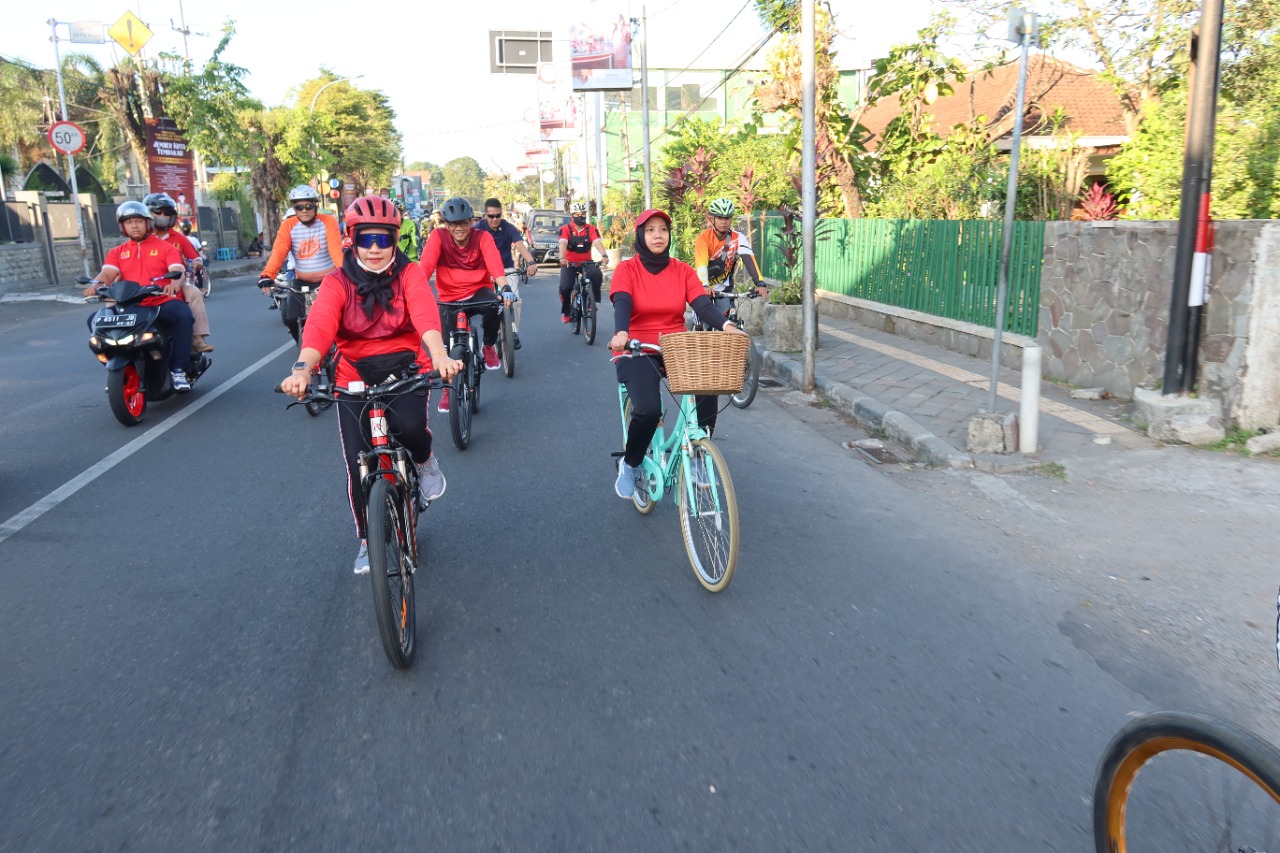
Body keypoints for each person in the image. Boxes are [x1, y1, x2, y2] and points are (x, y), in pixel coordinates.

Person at [278, 196, 463, 576]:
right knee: (357, 463)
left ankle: (425, 461)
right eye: (366, 239)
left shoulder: (409, 274)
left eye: (383, 238)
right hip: (354, 377)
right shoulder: (337, 282)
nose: (375, 248)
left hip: (406, 368)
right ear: (352, 238)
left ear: (395, 239)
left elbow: (425, 316)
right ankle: (368, 538)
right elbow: (319, 327)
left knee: (410, 427)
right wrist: (302, 369)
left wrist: (440, 354)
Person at [607, 209, 743, 499]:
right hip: (636, 347)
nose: (658, 235)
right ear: (641, 236)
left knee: (708, 383)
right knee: (649, 409)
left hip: (675, 346)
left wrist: (727, 325)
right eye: (650, 230)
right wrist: (621, 333)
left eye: (663, 230)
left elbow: (703, 306)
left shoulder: (681, 270)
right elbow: (622, 302)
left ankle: (698, 455)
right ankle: (630, 464)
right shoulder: (627, 270)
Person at [82, 201, 196, 392]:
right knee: (94, 320)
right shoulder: (117, 252)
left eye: (138, 221)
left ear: (147, 224)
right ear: (123, 227)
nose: (134, 225)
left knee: (183, 315)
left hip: (161, 301)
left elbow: (177, 269)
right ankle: (117, 367)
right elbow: (108, 274)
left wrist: (174, 284)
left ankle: (178, 370)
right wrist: (96, 285)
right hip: (130, 304)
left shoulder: (166, 248)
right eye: (129, 222)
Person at [417, 197, 509, 413]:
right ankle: (449, 390)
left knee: (494, 305)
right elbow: (425, 268)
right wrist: (414, 294)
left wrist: (504, 287)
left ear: (471, 222)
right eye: (454, 224)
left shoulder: (483, 237)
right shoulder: (437, 237)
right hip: (449, 298)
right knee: (445, 349)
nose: (459, 228)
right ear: (446, 224)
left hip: (478, 291)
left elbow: (495, 265)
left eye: (464, 223)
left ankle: (488, 346)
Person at [257, 185, 343, 344]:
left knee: (340, 319)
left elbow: (335, 250)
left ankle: (340, 351)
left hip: (329, 280)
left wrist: (345, 274)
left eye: (308, 206)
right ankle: (303, 346)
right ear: (294, 208)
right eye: (299, 207)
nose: (304, 210)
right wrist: (267, 275)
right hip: (301, 282)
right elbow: (279, 252)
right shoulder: (288, 226)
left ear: (316, 205)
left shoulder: (328, 222)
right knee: (291, 318)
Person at [144, 192, 214, 354]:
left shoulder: (179, 238)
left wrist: (196, 263)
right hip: (144, 285)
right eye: (158, 212)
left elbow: (195, 258)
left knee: (194, 293)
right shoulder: (141, 239)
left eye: (167, 213)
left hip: (176, 283)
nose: (162, 216)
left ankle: (197, 338)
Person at [475, 197, 537, 350]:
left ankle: (513, 331)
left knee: (514, 300)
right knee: (488, 305)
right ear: (485, 215)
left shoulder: (508, 227)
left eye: (498, 215)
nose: (495, 219)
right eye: (491, 216)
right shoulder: (477, 229)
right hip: (485, 272)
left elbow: (520, 246)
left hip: (507, 270)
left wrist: (531, 262)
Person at [694, 197, 768, 303]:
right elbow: (701, 265)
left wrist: (760, 283)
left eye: (727, 218)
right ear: (712, 218)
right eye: (720, 218)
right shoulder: (704, 238)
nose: (724, 222)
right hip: (704, 290)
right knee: (704, 318)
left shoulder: (738, 238)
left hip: (726, 291)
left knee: (729, 318)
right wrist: (705, 286)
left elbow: (749, 260)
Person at [558, 201, 608, 323]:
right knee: (566, 287)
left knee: (597, 274)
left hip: (587, 262)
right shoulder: (565, 229)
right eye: (577, 214)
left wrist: (604, 255)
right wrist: (562, 258)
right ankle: (566, 311)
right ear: (572, 216)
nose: (580, 216)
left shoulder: (591, 229)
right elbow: (563, 243)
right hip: (569, 263)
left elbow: (597, 242)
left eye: (583, 214)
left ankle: (591, 302)